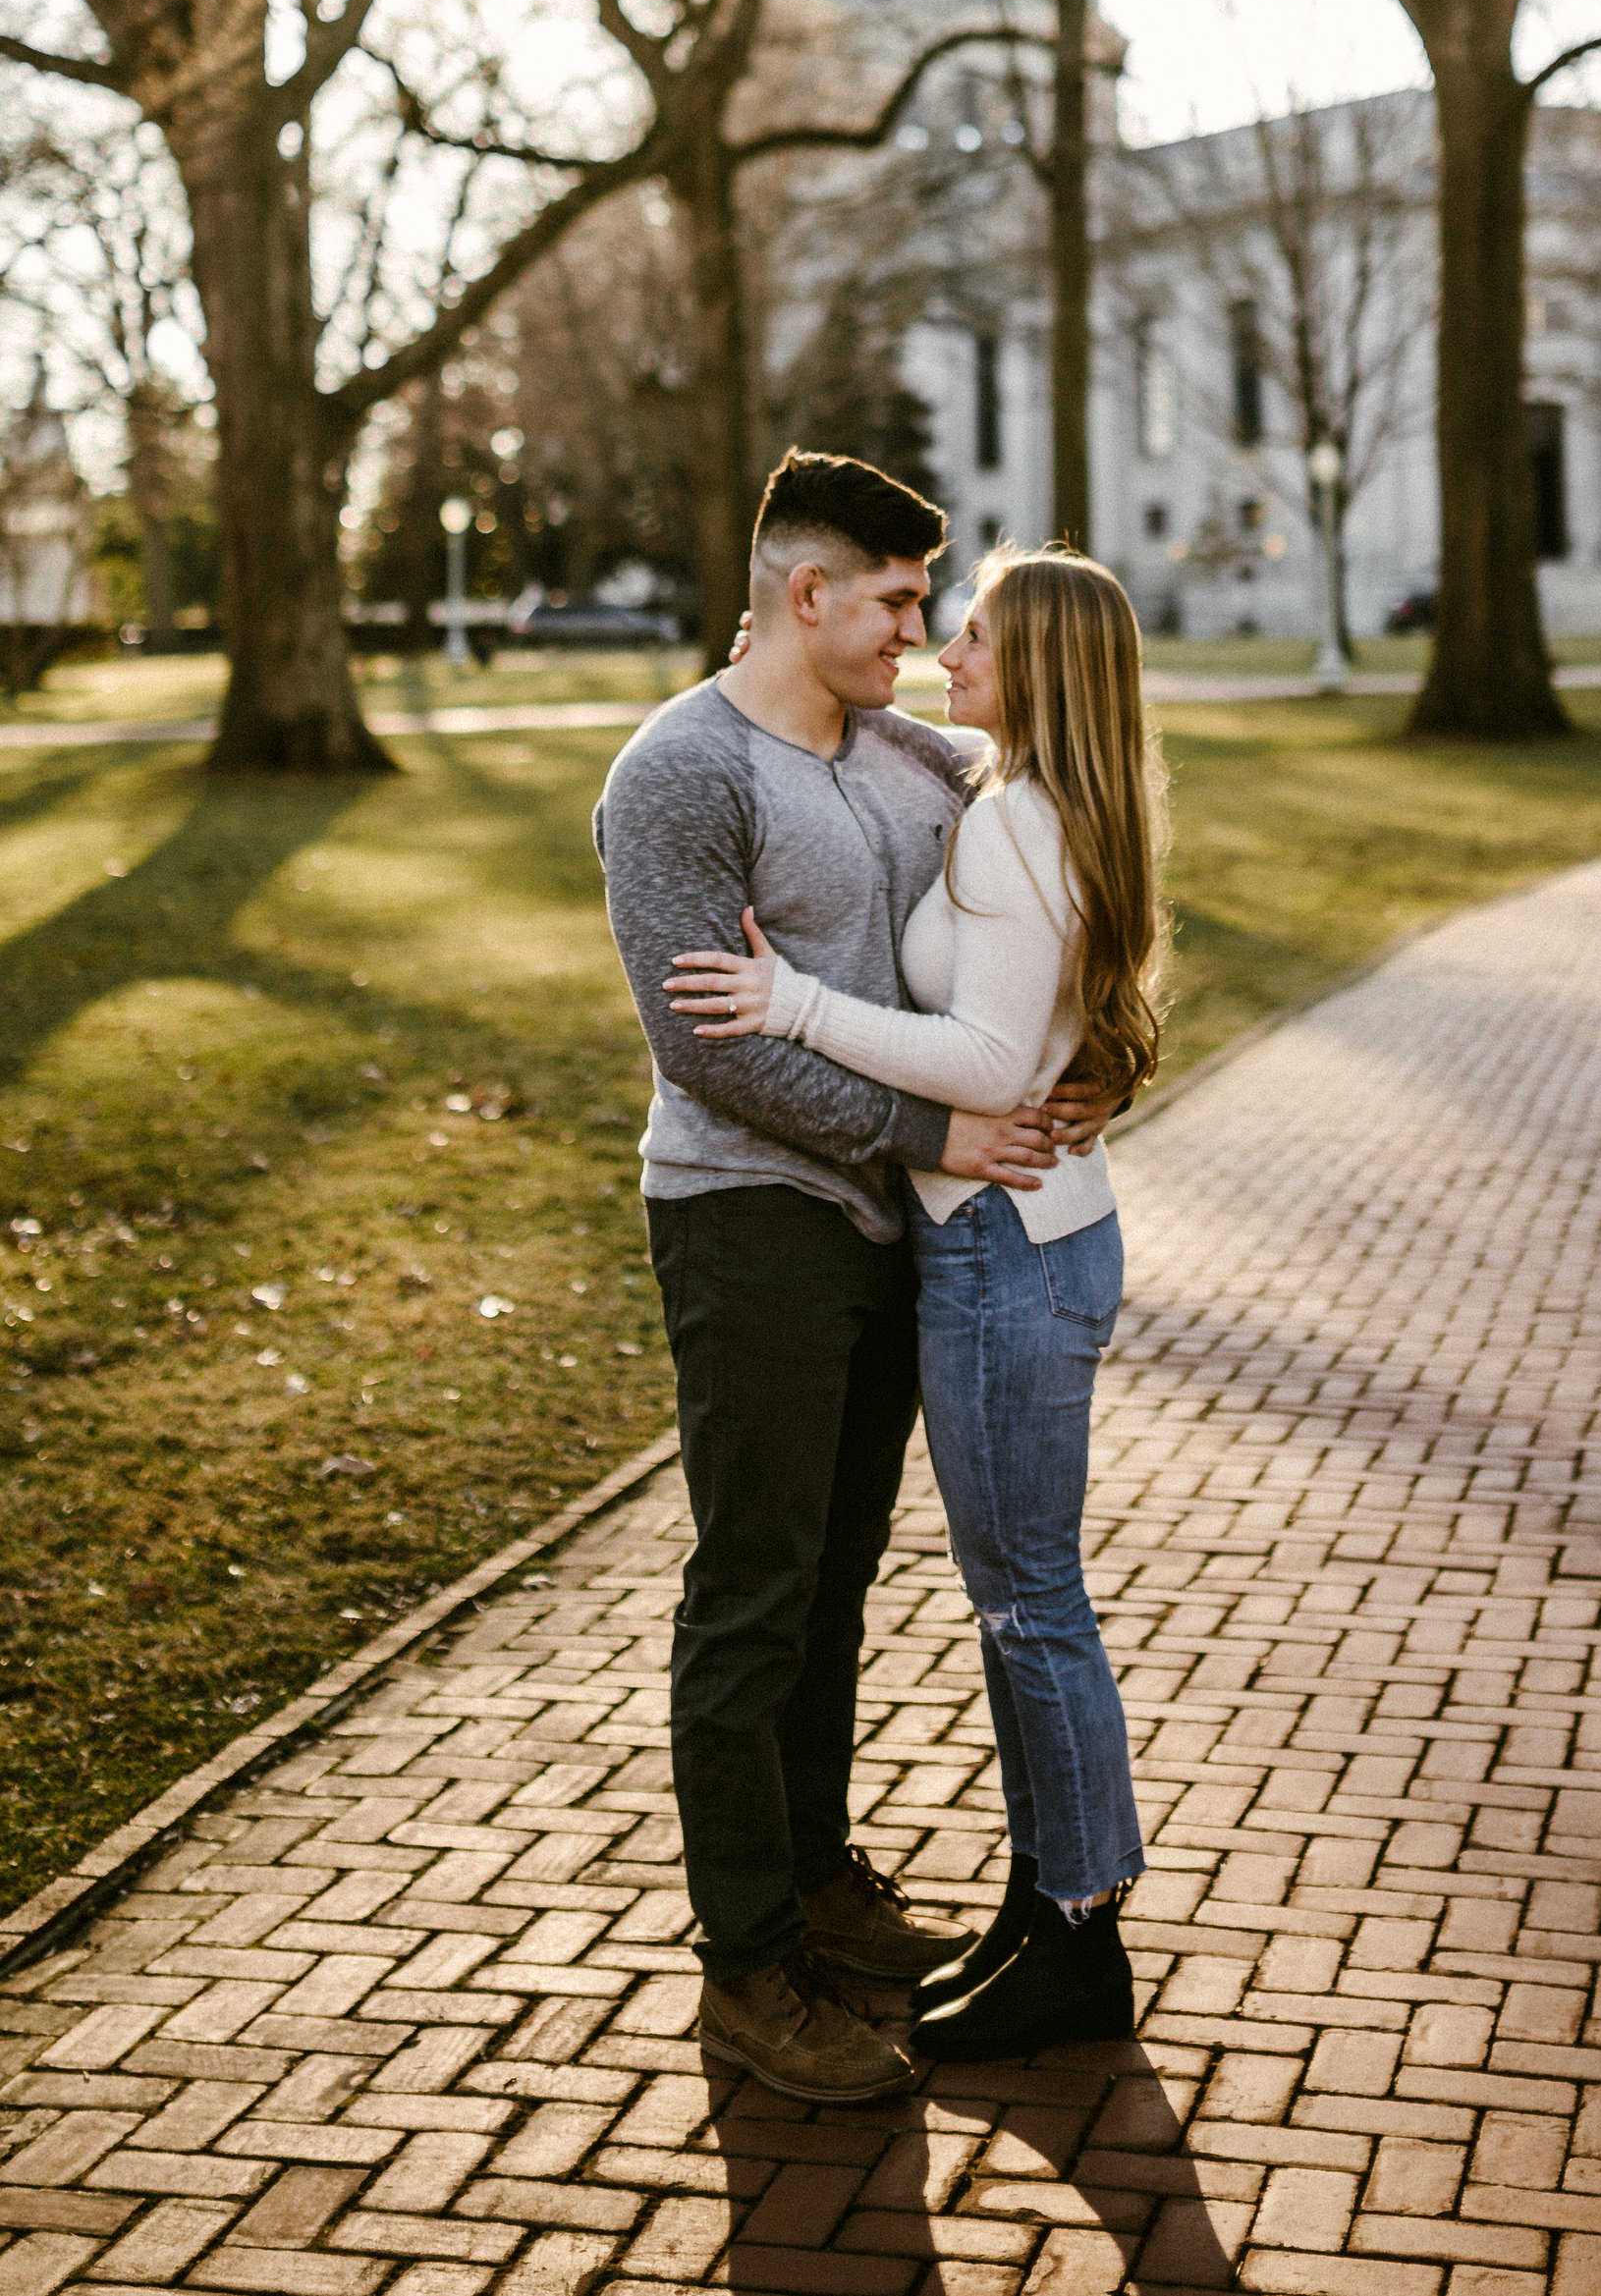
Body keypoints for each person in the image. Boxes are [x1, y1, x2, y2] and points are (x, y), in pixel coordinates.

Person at [595, 450, 1113, 2105]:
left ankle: (819, 1880)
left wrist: (1098, 1053)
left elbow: (1075, 847)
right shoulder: (676, 773)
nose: (917, 629)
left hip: (894, 1229)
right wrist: (942, 1128)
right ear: (804, 595)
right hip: (749, 1218)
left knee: (833, 1583)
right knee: (751, 1588)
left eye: (925, 605)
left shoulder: (915, 756)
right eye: (893, 601)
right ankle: (747, 1964)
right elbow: (711, 1043)